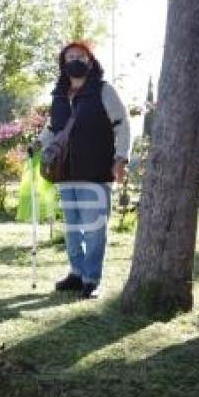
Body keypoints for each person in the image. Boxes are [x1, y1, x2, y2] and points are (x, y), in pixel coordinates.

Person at [38, 41, 130, 299]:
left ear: (90, 61)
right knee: (72, 227)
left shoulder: (103, 90)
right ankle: (76, 273)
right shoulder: (59, 95)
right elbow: (52, 128)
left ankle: (92, 278)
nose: (75, 60)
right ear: (63, 63)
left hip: (95, 170)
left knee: (94, 228)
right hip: (65, 172)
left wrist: (121, 158)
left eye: (81, 56)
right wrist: (37, 144)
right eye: (70, 57)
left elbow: (122, 125)